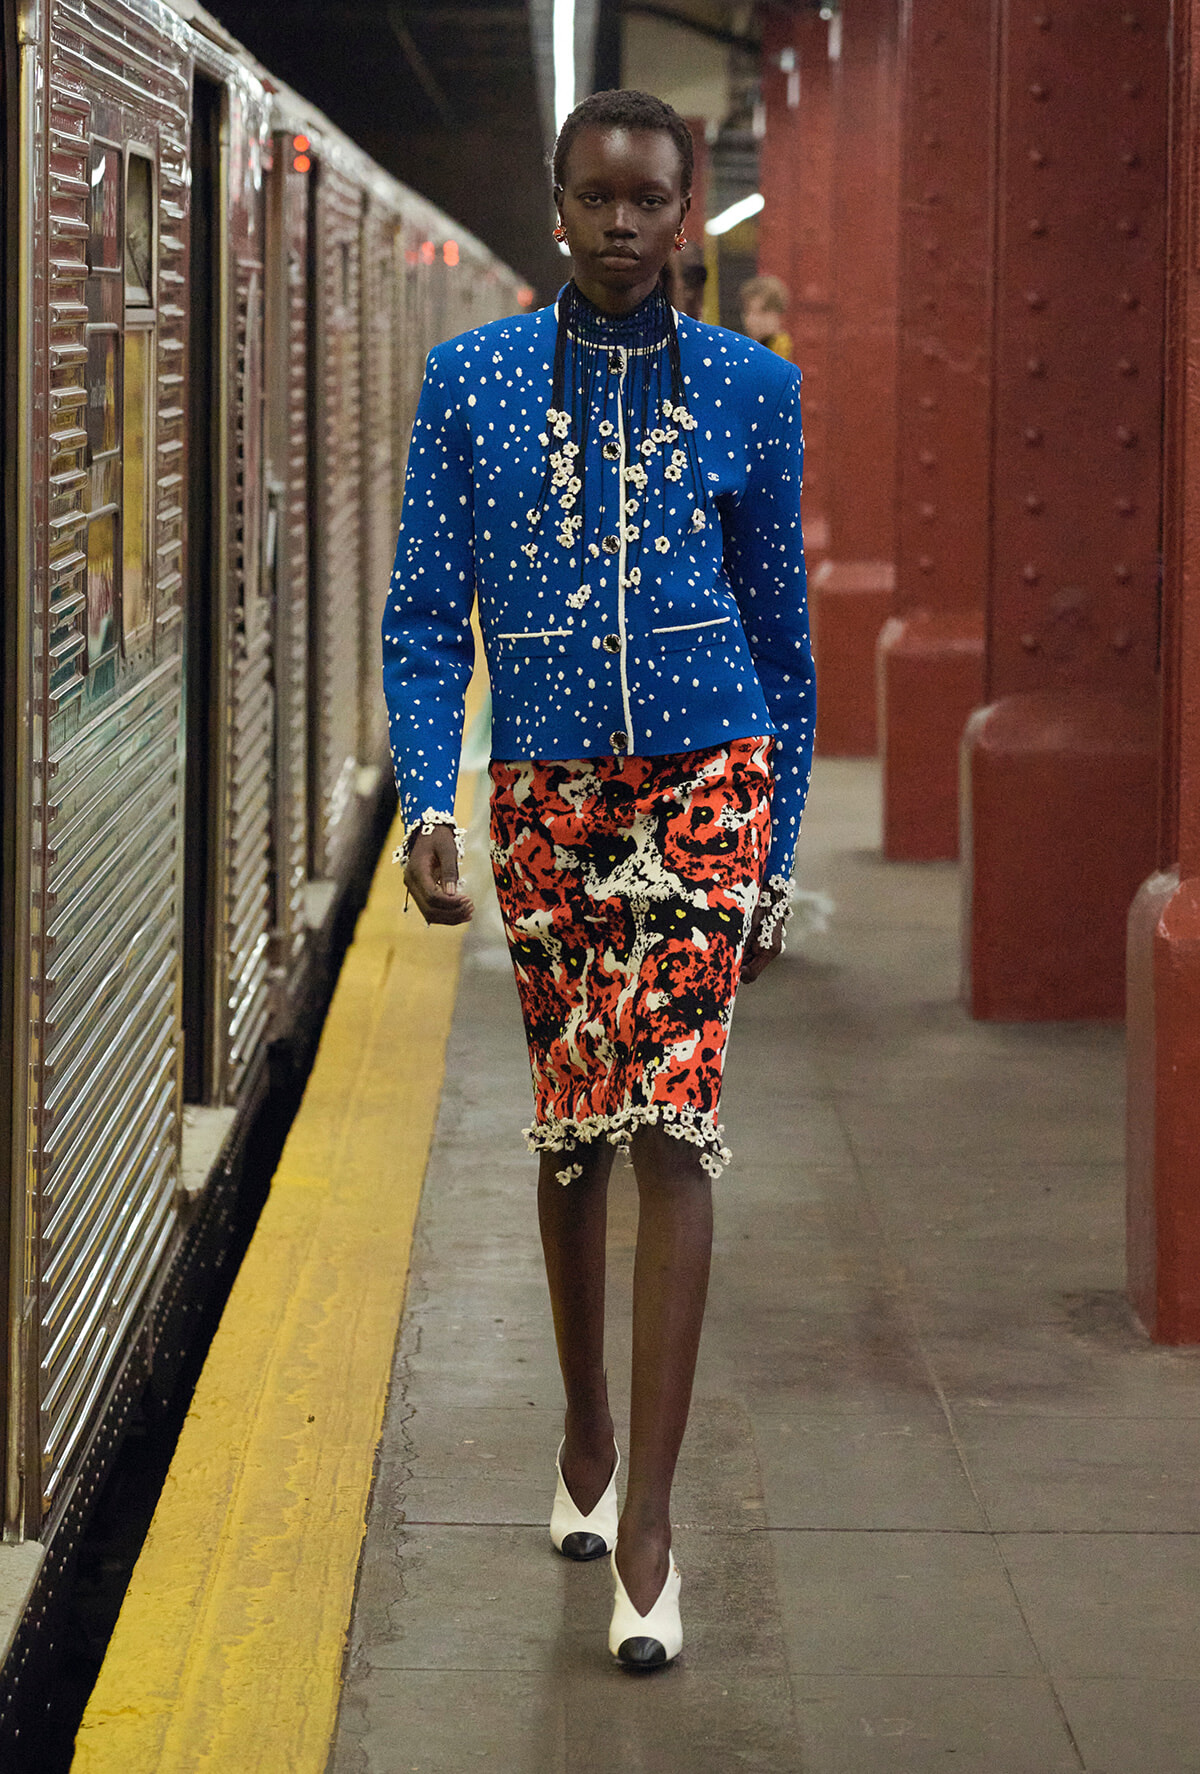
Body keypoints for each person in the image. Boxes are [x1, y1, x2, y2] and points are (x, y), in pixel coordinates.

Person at [382, 88, 814, 1671]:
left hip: (709, 792)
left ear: (686, 212)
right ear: (556, 203)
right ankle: (584, 1424)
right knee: (575, 1128)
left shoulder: (755, 392)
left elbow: (786, 643)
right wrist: (427, 797)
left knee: (675, 1127)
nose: (624, 223)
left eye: (651, 198)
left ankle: (650, 1530)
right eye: (596, 196)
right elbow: (428, 614)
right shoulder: (471, 386)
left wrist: (776, 854)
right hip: (547, 805)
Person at [739, 272, 793, 359]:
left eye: (761, 312)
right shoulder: (753, 345)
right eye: (748, 311)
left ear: (778, 315)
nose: (751, 319)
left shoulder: (780, 347)